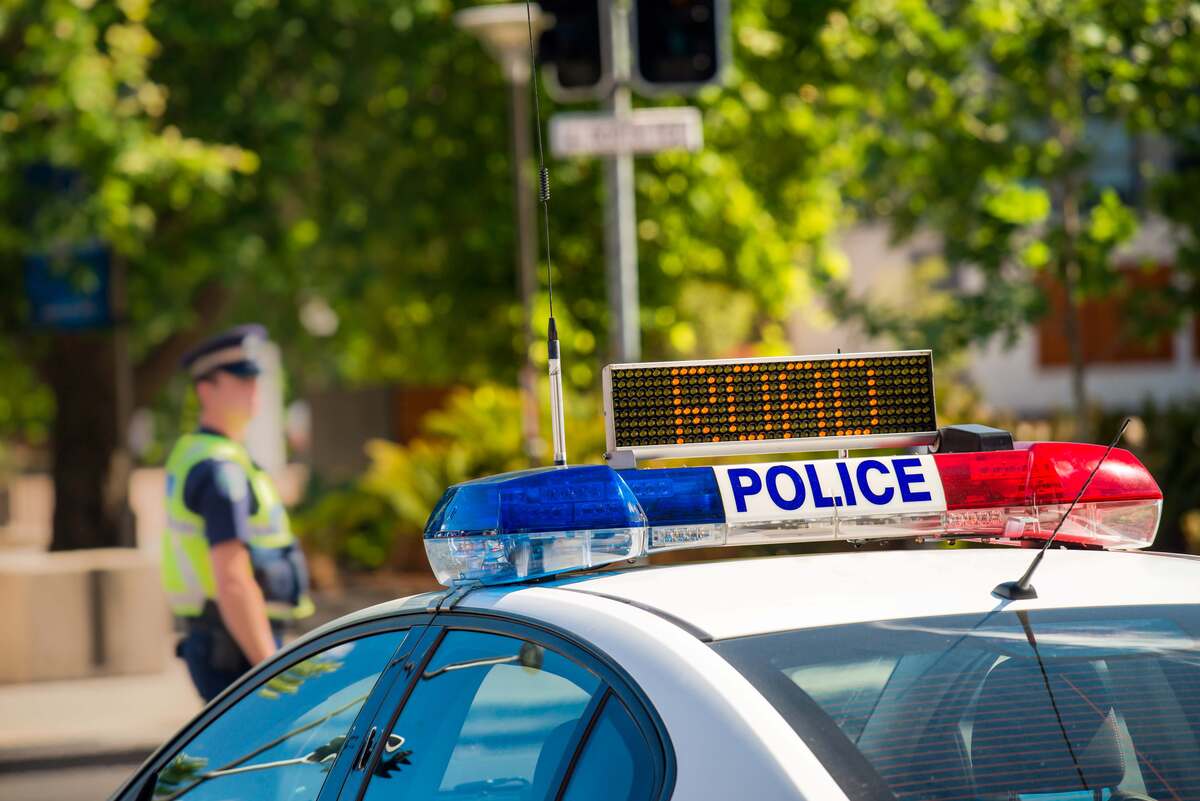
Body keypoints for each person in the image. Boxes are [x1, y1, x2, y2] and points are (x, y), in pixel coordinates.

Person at [161, 324, 313, 702]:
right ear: (204, 389)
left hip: (230, 640)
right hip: (236, 647)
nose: (252, 388)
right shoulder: (218, 468)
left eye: (254, 378)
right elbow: (232, 580)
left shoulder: (211, 455)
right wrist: (271, 669)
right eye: (239, 379)